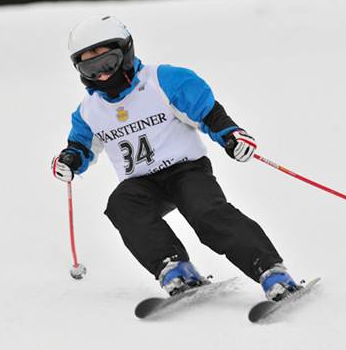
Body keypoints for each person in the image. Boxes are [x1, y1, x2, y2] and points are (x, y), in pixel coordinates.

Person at [52, 15, 299, 301]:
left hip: (186, 170)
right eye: (91, 69)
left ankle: (271, 271)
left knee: (205, 212)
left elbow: (207, 112)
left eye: (107, 63)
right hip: (142, 183)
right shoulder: (89, 111)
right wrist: (69, 160)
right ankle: (175, 268)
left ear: (126, 51)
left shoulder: (163, 80)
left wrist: (232, 136)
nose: (103, 76)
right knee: (122, 204)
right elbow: (81, 146)